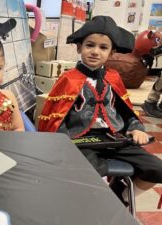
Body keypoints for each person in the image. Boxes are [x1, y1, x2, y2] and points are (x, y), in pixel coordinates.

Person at [37, 16, 162, 205]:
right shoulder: (68, 79)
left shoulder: (114, 78)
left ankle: (122, 196)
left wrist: (136, 128)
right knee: (91, 172)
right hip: (80, 141)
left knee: (157, 169)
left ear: (112, 52)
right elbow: (55, 118)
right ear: (79, 47)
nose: (95, 51)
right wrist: (63, 143)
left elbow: (127, 112)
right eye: (90, 45)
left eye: (103, 47)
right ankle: (93, 207)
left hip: (116, 139)